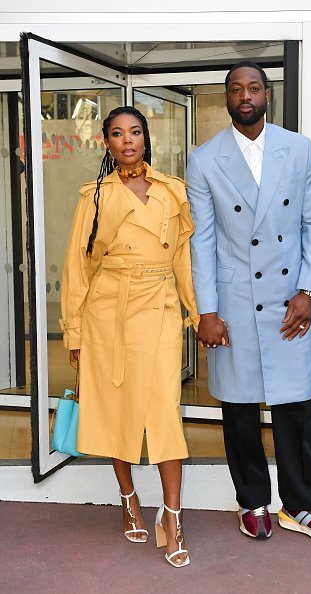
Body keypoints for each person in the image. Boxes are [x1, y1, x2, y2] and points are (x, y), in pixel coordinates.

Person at [186, 61, 311, 545]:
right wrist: (207, 312)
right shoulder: (204, 159)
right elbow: (203, 242)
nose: (245, 95)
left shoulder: (297, 149)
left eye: (253, 87)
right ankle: (252, 502)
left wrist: (308, 290)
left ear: (267, 95)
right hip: (234, 303)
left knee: (295, 410)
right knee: (238, 412)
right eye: (236, 88)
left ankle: (302, 506)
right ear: (226, 98)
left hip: (287, 302)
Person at [60, 106, 199, 567]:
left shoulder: (170, 191)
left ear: (146, 138)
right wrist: (74, 330)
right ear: (106, 143)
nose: (127, 140)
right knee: (118, 409)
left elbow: (184, 262)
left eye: (135, 132)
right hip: (109, 312)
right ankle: (127, 498)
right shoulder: (94, 196)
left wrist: (198, 316)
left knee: (163, 412)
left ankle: (173, 517)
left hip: (158, 309)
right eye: (117, 134)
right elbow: (78, 268)